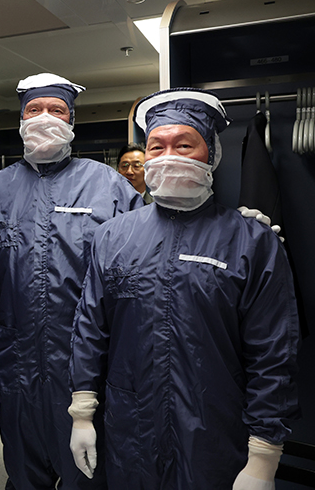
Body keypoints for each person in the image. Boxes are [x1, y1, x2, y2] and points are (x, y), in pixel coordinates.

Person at [68, 88, 299, 489]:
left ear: (211, 153)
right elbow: (90, 328)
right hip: (131, 431)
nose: (169, 155)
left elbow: (273, 354)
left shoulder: (250, 241)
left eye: (184, 144)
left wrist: (264, 453)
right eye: (157, 146)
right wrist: (83, 410)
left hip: (213, 434)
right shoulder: (112, 237)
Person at [0, 73, 143, 489]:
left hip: (87, 363)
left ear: (72, 120)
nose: (44, 118)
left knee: (89, 471)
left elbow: (150, 251)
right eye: (34, 110)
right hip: (17, 362)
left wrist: (222, 228)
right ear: (21, 121)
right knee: (24, 469)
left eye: (56, 110)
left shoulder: (108, 186)